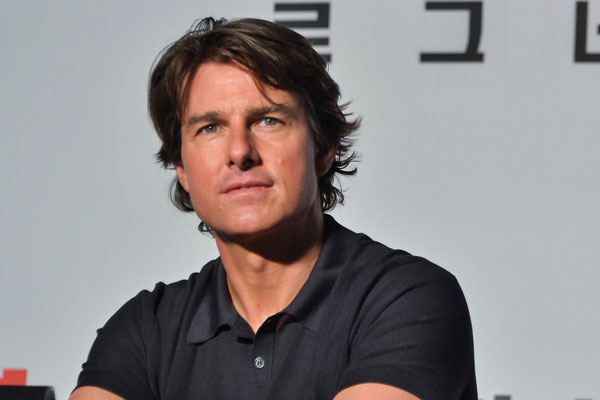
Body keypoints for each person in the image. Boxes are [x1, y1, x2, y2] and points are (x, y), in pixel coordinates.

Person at [70, 17, 477, 400]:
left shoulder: (406, 299)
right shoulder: (145, 329)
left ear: (323, 148)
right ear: (182, 169)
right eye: (210, 128)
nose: (239, 151)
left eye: (268, 120)